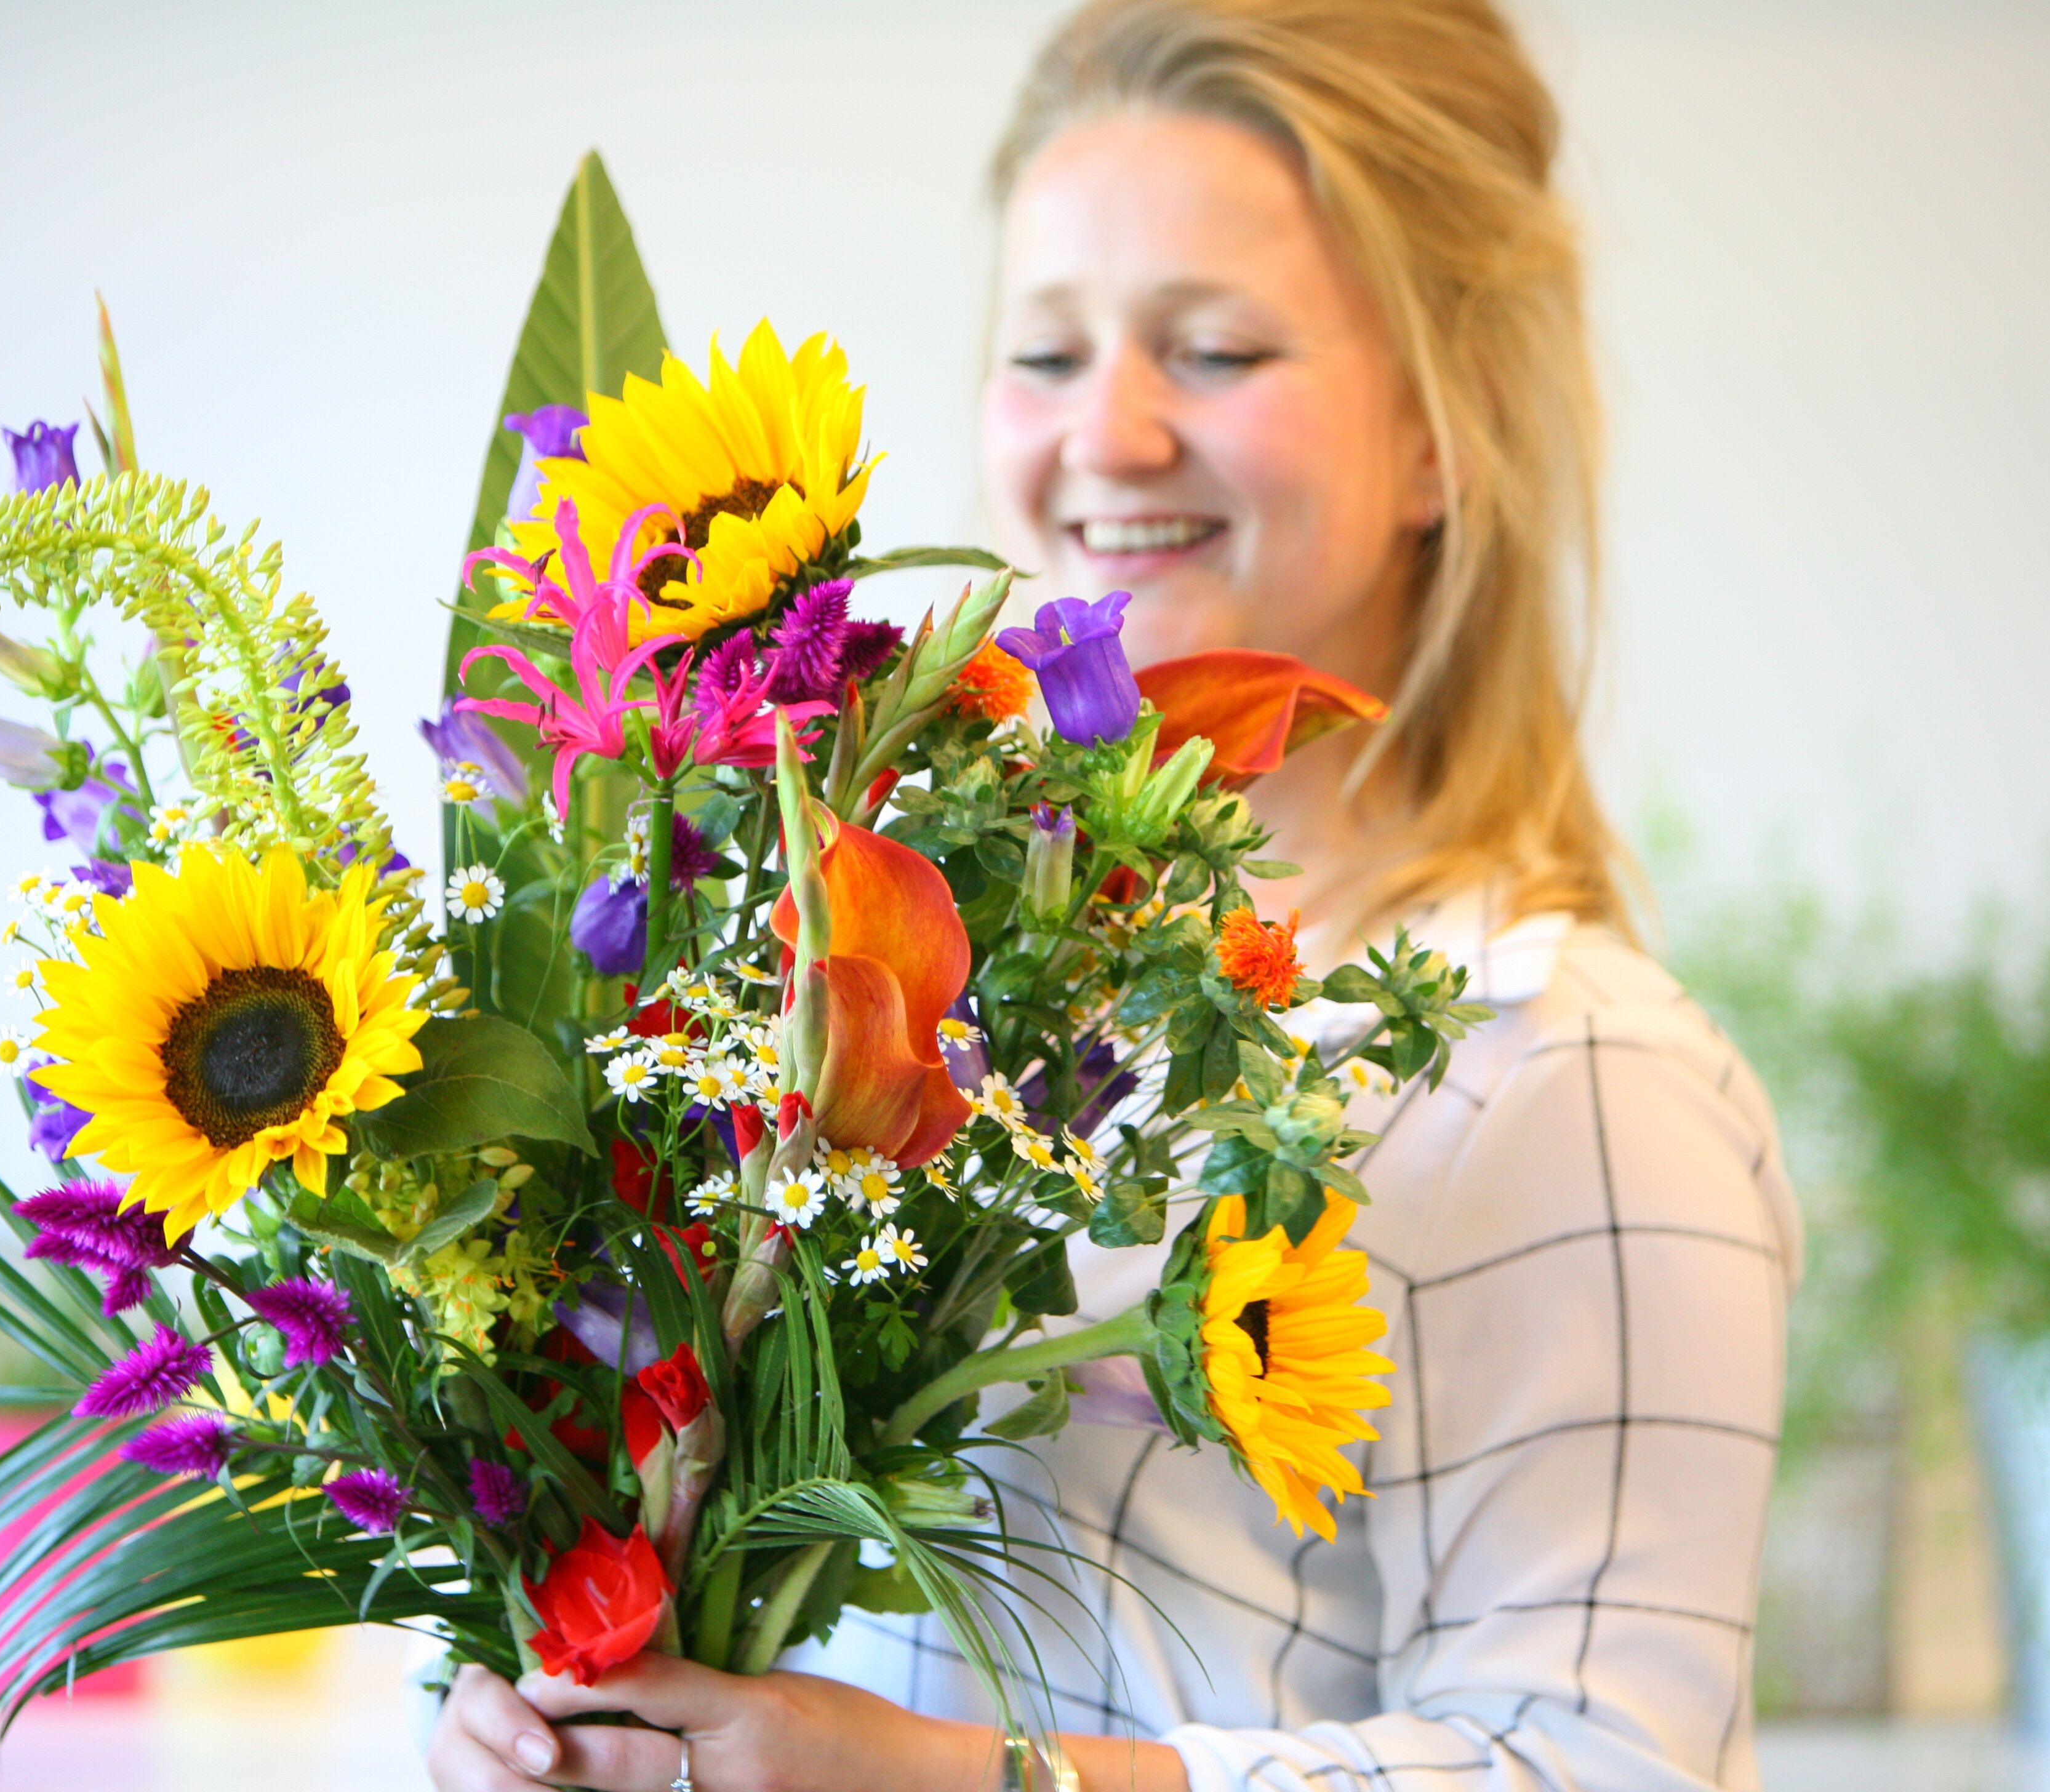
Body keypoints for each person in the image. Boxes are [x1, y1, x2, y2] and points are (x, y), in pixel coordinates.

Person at [430, 1, 1800, 1788]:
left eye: (1218, 350)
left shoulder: (1561, 1069)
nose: (1115, 436)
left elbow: (1608, 1765)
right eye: (1051, 353)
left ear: (1442, 441)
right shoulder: (890, 972)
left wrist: (955, 1783)